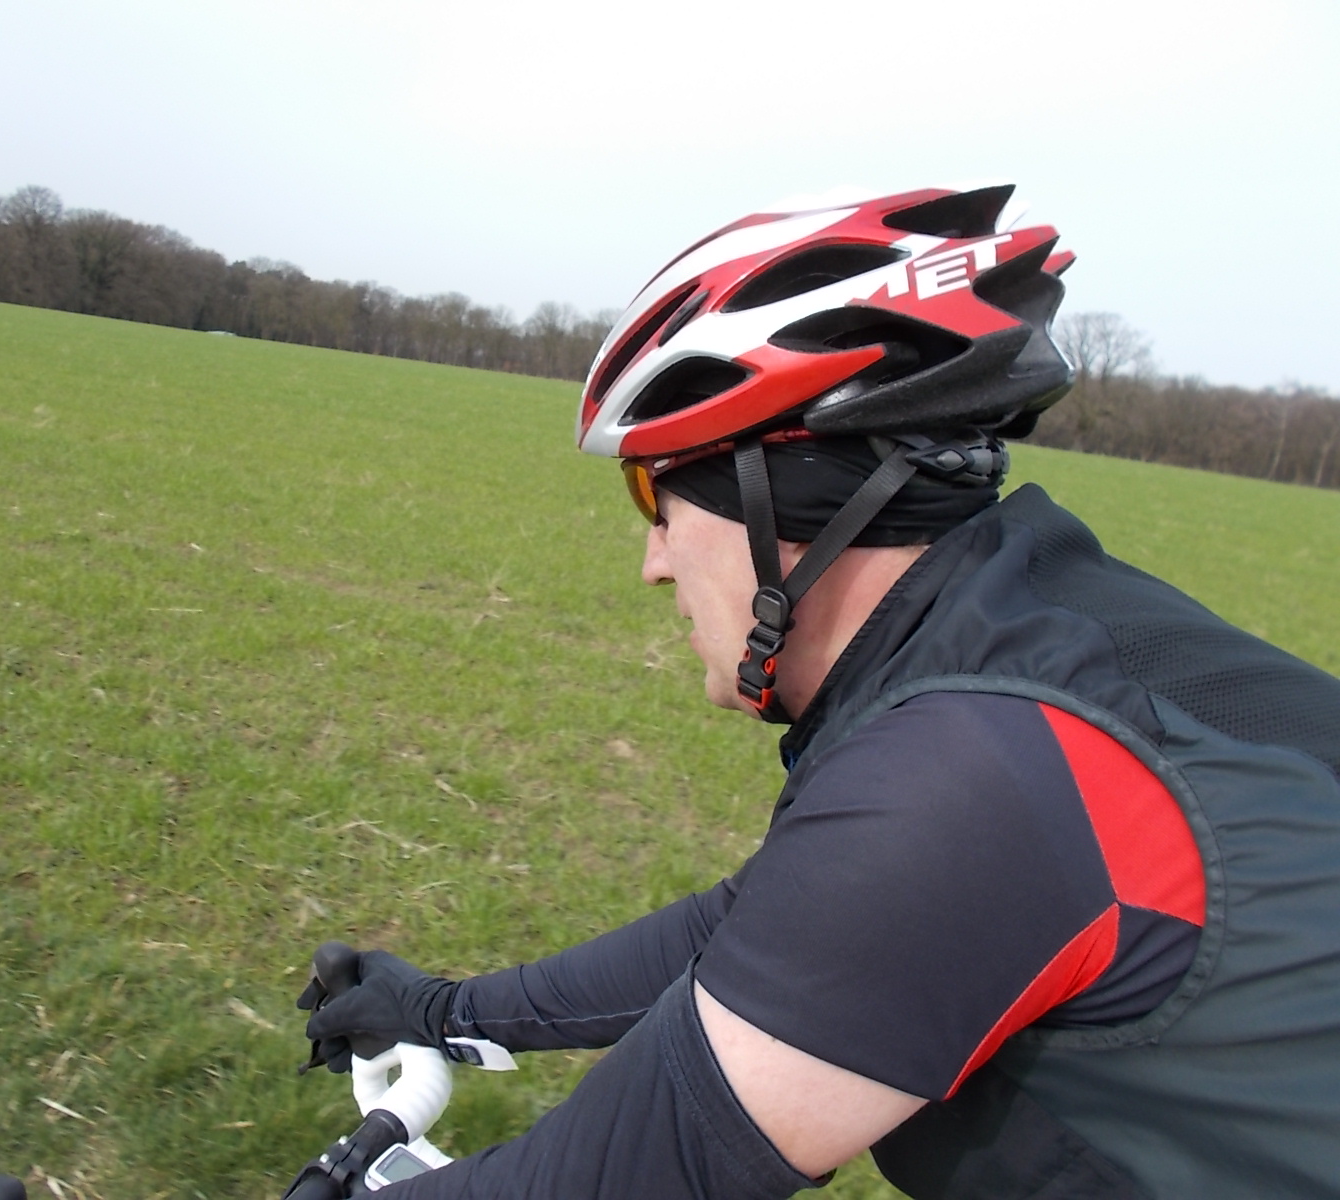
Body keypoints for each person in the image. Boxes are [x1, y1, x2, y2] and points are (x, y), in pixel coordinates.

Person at [298, 184, 1340, 1198]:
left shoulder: (971, 778)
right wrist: (446, 1013)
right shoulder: (1032, 643)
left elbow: (626, 1168)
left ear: (776, 497)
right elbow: (748, 932)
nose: (653, 562)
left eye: (654, 495)